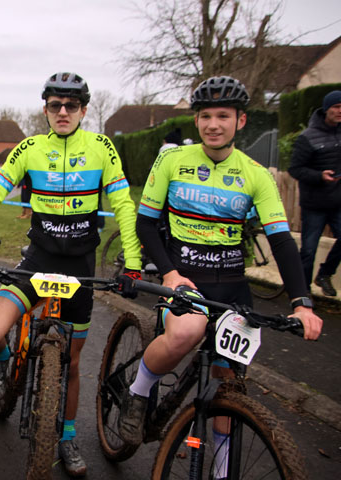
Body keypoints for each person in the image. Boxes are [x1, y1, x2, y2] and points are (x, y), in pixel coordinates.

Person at [117, 76, 323, 479]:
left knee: (227, 382)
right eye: (206, 116)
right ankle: (137, 392)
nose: (214, 124)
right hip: (184, 279)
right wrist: (172, 273)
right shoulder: (172, 161)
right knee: (185, 333)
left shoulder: (255, 174)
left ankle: (223, 470)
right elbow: (145, 224)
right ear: (197, 121)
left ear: (240, 121)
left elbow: (281, 241)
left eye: (223, 116)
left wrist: (302, 302)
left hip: (232, 284)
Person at [0, 72, 142, 477]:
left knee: (72, 362)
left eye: (71, 105)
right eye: (54, 105)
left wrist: (132, 262)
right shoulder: (29, 149)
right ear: (44, 109)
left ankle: (65, 436)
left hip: (80, 270)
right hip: (37, 262)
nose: (62, 112)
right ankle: (4, 362)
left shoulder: (101, 148)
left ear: (84, 109)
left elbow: (123, 205)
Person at [288, 90, 341, 297]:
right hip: (315, 204)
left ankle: (325, 274)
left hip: (337, 201)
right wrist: (320, 175)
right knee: (308, 250)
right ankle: (303, 293)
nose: (340, 111)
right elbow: (295, 169)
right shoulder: (308, 137)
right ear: (326, 109)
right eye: (336, 107)